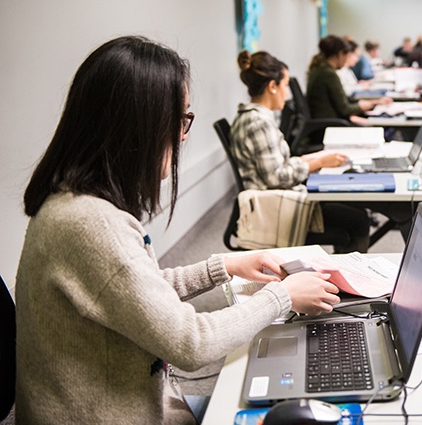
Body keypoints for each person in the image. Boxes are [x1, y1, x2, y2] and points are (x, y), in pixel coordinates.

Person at [15, 36, 341, 424]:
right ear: (141, 125)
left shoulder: (72, 203)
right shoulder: (90, 225)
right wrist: (282, 297)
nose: (184, 134)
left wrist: (226, 266)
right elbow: (191, 342)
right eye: (182, 119)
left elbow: (137, 286)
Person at [231, 50, 371, 252]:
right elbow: (276, 177)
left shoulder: (251, 117)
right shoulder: (258, 123)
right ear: (272, 86)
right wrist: (318, 163)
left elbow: (278, 164)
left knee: (349, 207)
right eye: (285, 85)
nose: (287, 93)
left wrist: (316, 158)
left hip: (275, 198)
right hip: (276, 207)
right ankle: (350, 278)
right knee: (358, 219)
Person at [306, 35, 389, 138]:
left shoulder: (319, 70)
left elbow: (341, 102)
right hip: (330, 129)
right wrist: (368, 104)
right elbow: (345, 109)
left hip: (328, 126)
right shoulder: (329, 74)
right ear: (340, 54)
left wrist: (372, 103)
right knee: (379, 133)